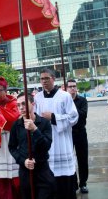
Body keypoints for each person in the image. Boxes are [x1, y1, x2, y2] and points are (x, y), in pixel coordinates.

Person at [34, 69, 79, 198]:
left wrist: (53, 117)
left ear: (53, 78)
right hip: (46, 141)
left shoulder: (64, 96)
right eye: (42, 79)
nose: (44, 81)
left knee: (64, 181)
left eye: (46, 78)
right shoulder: (38, 97)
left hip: (62, 140)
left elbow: (74, 117)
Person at [9, 93, 55, 199]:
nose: (21, 107)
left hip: (42, 170)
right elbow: (12, 147)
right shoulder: (16, 125)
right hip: (25, 172)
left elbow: (46, 145)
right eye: (18, 105)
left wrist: (35, 129)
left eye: (24, 104)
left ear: (33, 104)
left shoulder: (44, 123)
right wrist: (23, 161)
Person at [67, 79, 89, 194]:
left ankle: (83, 183)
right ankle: (73, 183)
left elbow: (83, 115)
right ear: (66, 88)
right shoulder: (65, 101)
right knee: (69, 159)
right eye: (70, 87)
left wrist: (71, 109)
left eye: (74, 86)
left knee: (82, 158)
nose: (72, 89)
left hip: (80, 132)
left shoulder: (82, 100)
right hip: (68, 133)